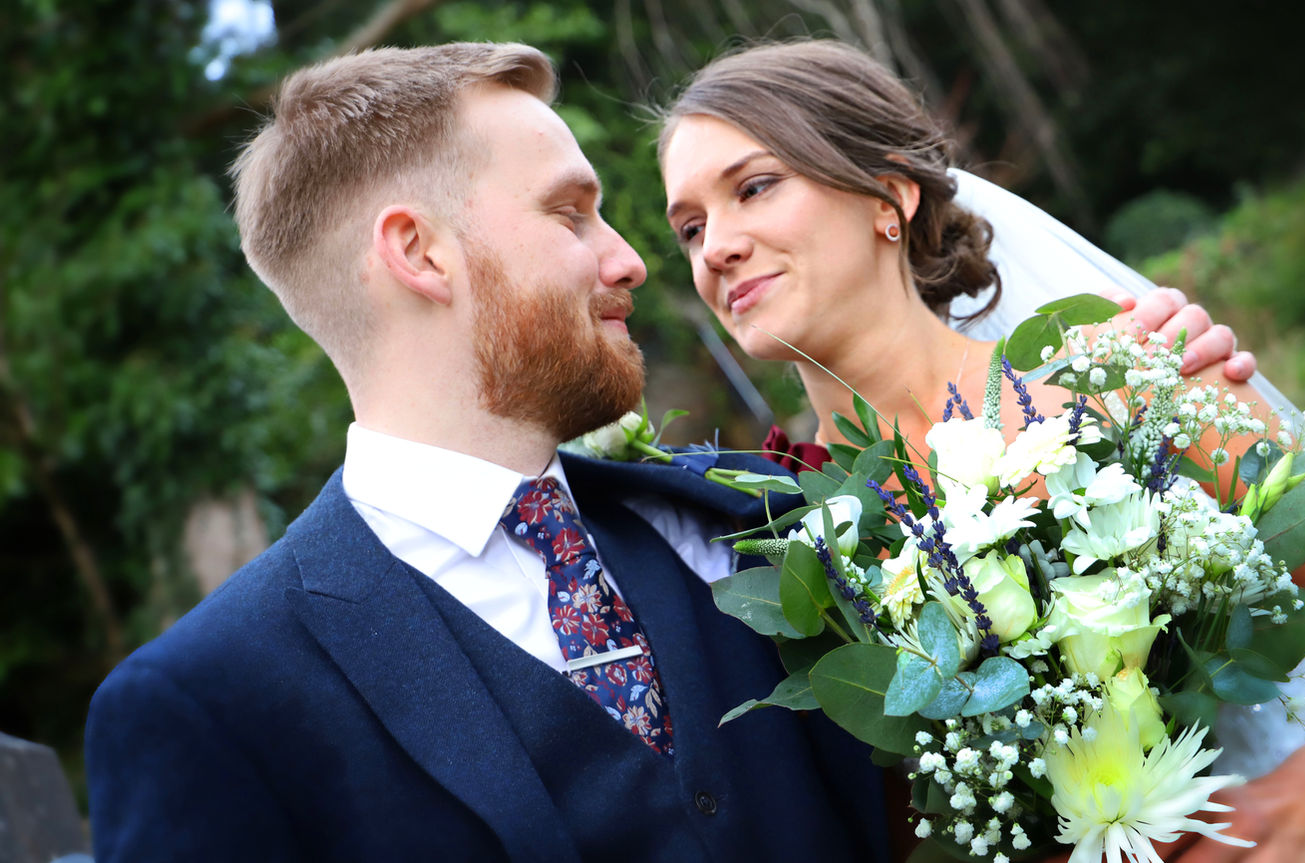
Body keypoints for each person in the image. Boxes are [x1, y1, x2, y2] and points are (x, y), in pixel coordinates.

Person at [83, 43, 886, 862]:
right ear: (419, 252)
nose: (630, 261)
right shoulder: (206, 704)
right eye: (570, 213)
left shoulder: (746, 519)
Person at [657, 38, 1305, 862]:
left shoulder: (1128, 377)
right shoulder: (796, 547)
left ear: (888, 195)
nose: (716, 249)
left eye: (754, 187)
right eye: (690, 228)